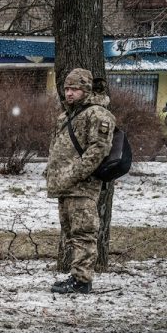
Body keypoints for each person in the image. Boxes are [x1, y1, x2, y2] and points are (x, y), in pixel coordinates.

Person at [45, 68, 115, 295]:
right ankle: (76, 275)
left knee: (84, 233)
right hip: (65, 186)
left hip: (82, 186)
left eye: (74, 89)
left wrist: (75, 173)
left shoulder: (97, 114)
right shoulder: (66, 116)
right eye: (67, 88)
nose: (69, 93)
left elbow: (99, 149)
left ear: (86, 90)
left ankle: (82, 280)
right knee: (71, 234)